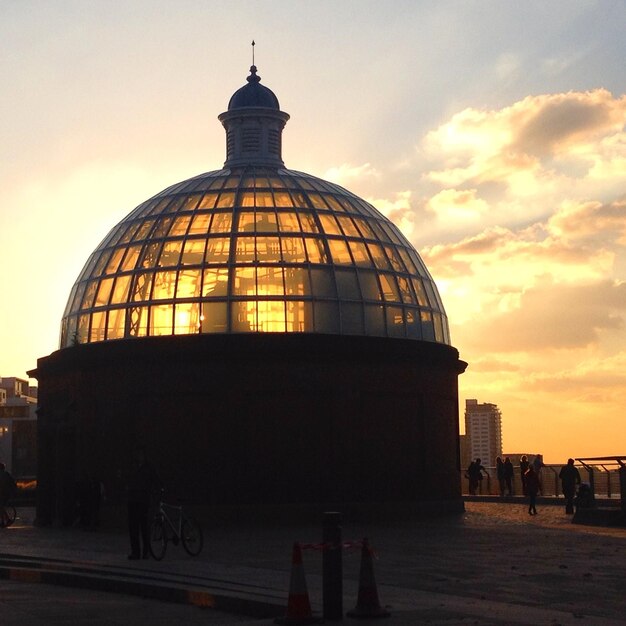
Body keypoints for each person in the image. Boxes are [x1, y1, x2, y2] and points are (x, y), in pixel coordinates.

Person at [126, 447, 160, 560]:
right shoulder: (133, 466)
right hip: (133, 500)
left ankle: (146, 551)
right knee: (133, 528)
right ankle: (135, 552)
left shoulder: (148, 468)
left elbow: (155, 480)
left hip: (143, 501)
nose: (139, 456)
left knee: (144, 528)